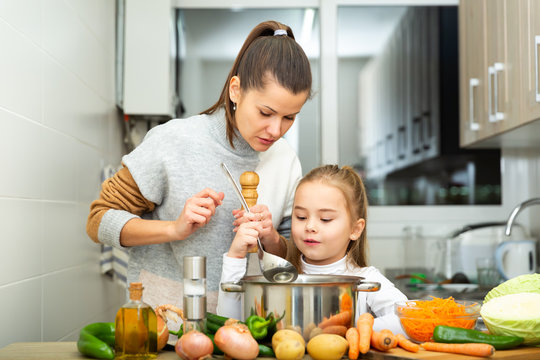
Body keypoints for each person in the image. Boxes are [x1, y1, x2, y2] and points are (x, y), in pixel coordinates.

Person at [86, 20, 312, 311]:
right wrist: (173, 229)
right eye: (265, 112)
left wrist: (270, 239)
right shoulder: (173, 140)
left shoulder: (285, 160)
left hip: (249, 329)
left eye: (289, 117)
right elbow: (98, 220)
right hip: (166, 324)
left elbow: (292, 253)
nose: (275, 130)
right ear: (236, 90)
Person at [218, 165, 407, 335]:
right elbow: (231, 327)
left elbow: (409, 319)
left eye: (325, 219)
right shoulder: (277, 275)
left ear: (355, 229)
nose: (310, 226)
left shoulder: (366, 279)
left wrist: (352, 330)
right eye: (300, 217)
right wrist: (235, 255)